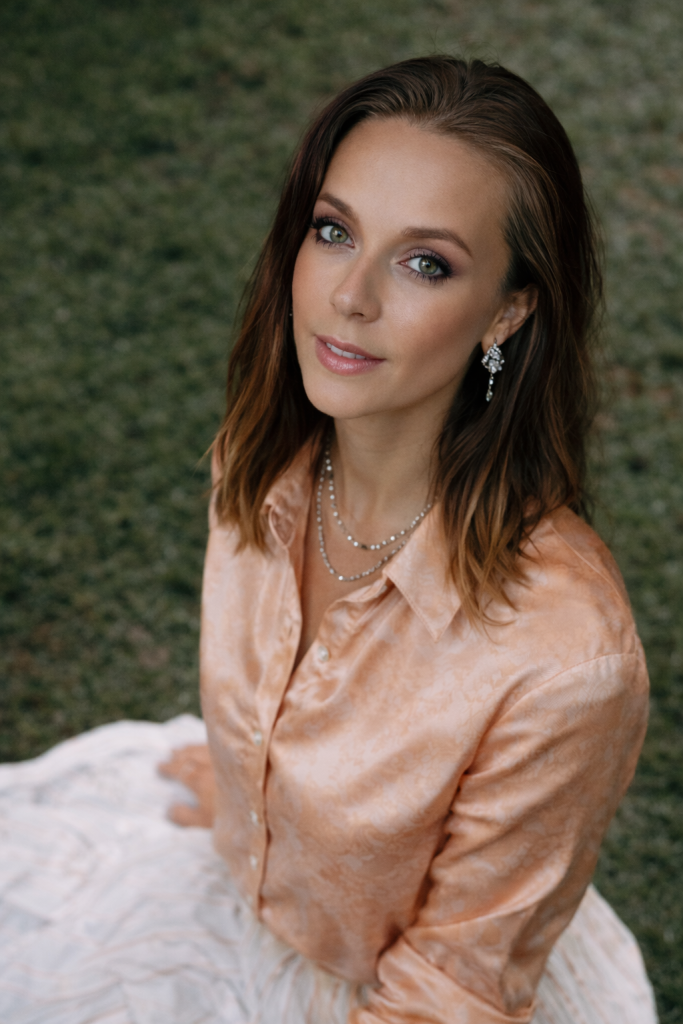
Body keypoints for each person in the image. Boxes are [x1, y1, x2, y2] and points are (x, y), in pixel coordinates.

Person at [0, 56, 656, 1024]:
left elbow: (450, 990)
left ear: (508, 311)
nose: (349, 295)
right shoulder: (260, 461)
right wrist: (248, 800)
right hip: (244, 892)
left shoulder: (564, 664)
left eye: (424, 261)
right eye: (333, 230)